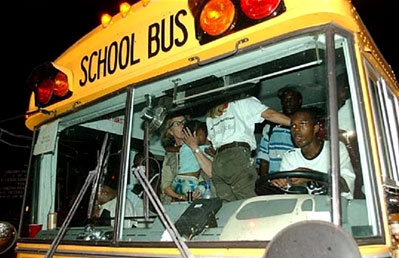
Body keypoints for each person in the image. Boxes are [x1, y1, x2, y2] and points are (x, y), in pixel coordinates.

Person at [206, 96, 291, 202]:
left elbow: (210, 141)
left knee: (229, 207)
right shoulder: (242, 101)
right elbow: (270, 115)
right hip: (236, 156)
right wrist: (297, 124)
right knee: (252, 204)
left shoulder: (211, 114)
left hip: (218, 162)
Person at [273, 108, 356, 199]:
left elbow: (345, 185)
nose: (296, 130)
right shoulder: (290, 156)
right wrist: (279, 184)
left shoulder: (335, 149)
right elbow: (285, 195)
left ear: (315, 128)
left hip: (335, 208)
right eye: (293, 126)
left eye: (302, 124)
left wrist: (311, 175)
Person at [257, 85, 302, 176]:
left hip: (296, 180)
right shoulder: (270, 127)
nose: (287, 103)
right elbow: (264, 158)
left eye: (291, 99)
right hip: (275, 182)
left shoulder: (304, 127)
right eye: (284, 100)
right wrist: (265, 184)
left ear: (299, 101)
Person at [159, 115, 202, 203]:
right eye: (177, 124)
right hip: (178, 203)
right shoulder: (170, 155)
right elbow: (165, 185)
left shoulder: (199, 147)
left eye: (184, 122)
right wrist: (182, 197)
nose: (182, 126)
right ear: (170, 131)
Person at [171, 120, 213, 197]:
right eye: (204, 135)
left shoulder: (183, 148)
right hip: (190, 182)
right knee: (205, 187)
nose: (206, 138)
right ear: (198, 134)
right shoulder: (203, 149)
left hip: (177, 182)